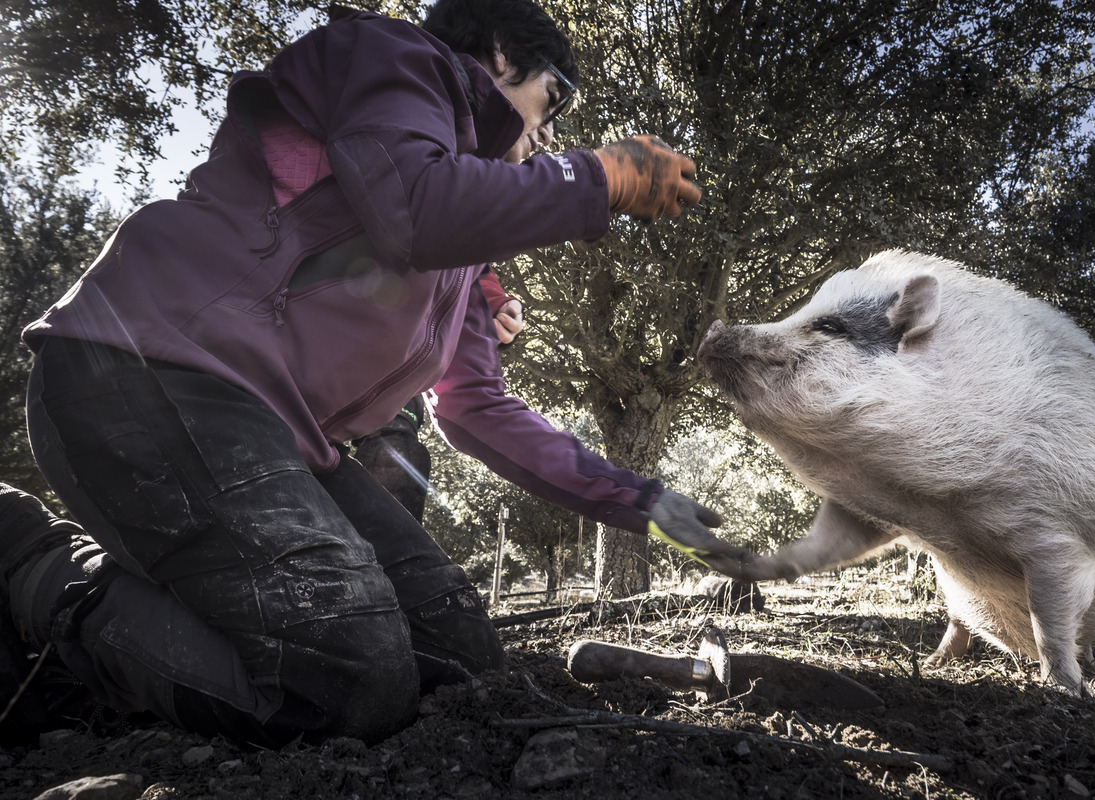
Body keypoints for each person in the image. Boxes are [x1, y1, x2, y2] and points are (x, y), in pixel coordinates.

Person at [0, 0, 742, 747]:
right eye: (552, 100)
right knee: (349, 681)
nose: (552, 133)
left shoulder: (467, 261)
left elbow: (477, 409)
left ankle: (169, 629)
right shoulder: (392, 57)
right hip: (144, 374)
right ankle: (40, 565)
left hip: (278, 440)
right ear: (498, 55)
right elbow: (415, 206)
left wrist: (643, 502)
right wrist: (597, 178)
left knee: (463, 659)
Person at [353, 269, 523, 522]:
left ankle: (395, 556)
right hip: (298, 335)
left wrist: (496, 304)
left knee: (394, 446)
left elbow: (467, 262)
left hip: (392, 352)